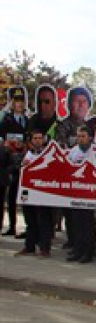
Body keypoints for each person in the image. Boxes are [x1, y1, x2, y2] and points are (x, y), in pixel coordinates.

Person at [15, 130, 53, 257]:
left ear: (43, 140)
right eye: (35, 138)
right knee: (30, 221)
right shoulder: (28, 154)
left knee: (44, 221)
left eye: (40, 138)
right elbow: (20, 170)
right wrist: (22, 165)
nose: (37, 140)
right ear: (31, 140)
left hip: (43, 193)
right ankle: (29, 246)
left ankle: (44, 248)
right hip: (28, 194)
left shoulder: (47, 154)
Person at [65, 126, 96, 263]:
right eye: (78, 136)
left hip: (91, 194)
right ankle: (78, 249)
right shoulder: (73, 152)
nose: (80, 139)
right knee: (76, 224)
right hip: (76, 193)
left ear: (90, 137)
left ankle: (88, 251)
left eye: (83, 136)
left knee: (88, 224)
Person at [0, 86, 29, 237]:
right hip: (7, 161)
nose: (19, 104)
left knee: (19, 194)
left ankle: (19, 227)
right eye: (16, 101)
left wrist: (25, 145)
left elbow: (30, 138)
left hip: (22, 161)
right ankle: (6, 226)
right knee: (6, 194)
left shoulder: (28, 119)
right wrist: (4, 143)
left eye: (21, 101)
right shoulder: (6, 118)